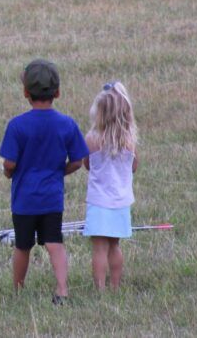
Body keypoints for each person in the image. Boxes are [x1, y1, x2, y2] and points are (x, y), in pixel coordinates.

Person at [0, 59, 89, 303]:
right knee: (54, 243)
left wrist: (9, 173)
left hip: (24, 200)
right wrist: (58, 171)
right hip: (52, 198)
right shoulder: (67, 124)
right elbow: (78, 160)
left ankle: (18, 291)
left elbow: (9, 163)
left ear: (25, 92)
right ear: (57, 92)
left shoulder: (17, 126)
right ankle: (62, 289)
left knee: (22, 246)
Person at [83, 81, 139, 290]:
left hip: (99, 200)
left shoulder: (92, 138)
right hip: (121, 200)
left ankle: (100, 289)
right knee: (115, 245)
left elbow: (87, 164)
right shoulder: (129, 140)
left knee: (99, 249)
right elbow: (134, 165)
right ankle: (115, 286)